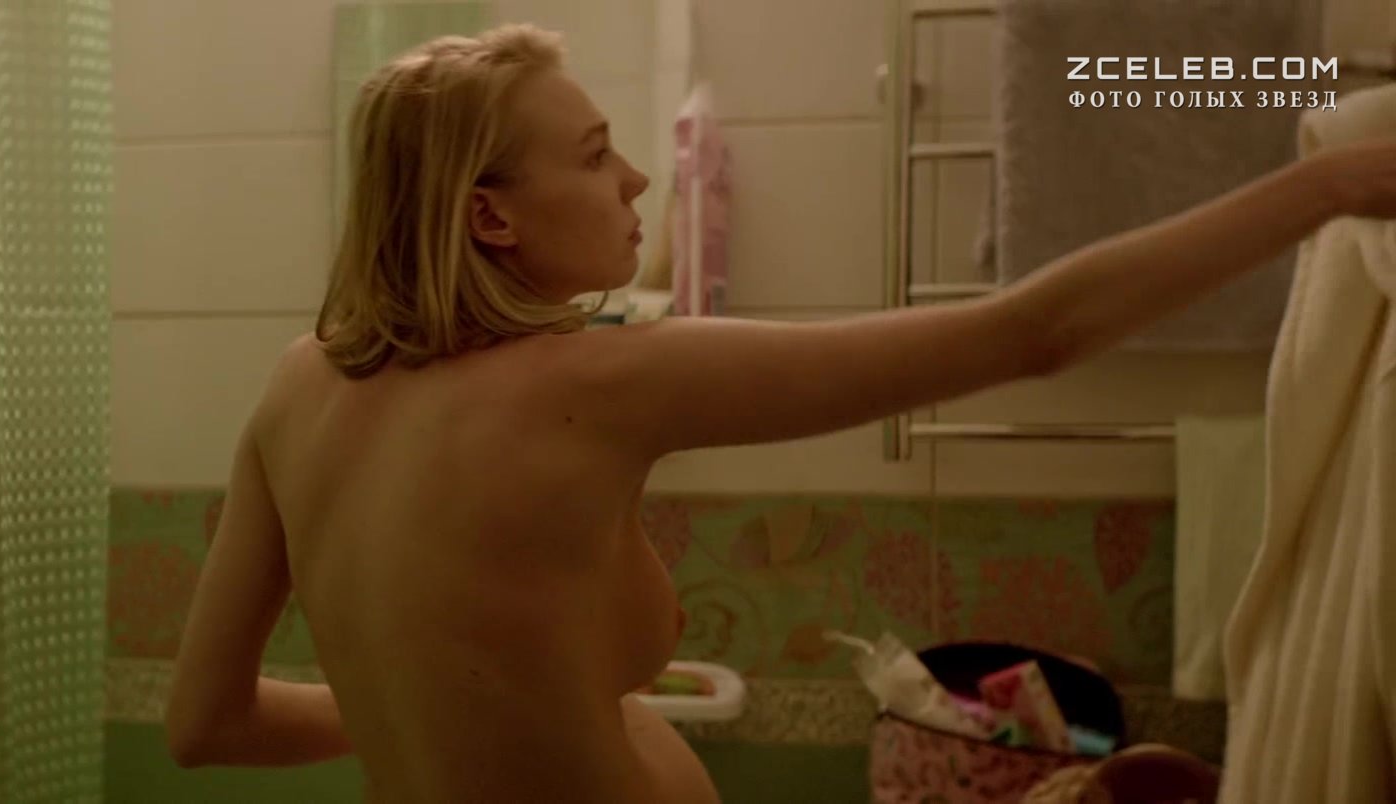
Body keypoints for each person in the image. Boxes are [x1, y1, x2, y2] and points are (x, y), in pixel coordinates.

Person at [162, 23, 1396, 804]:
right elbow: (1035, 333)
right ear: (491, 215)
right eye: (593, 155)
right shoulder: (599, 381)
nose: (635, 178)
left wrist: (422, 706)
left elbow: (205, 725)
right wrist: (1331, 184)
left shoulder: (296, 390)